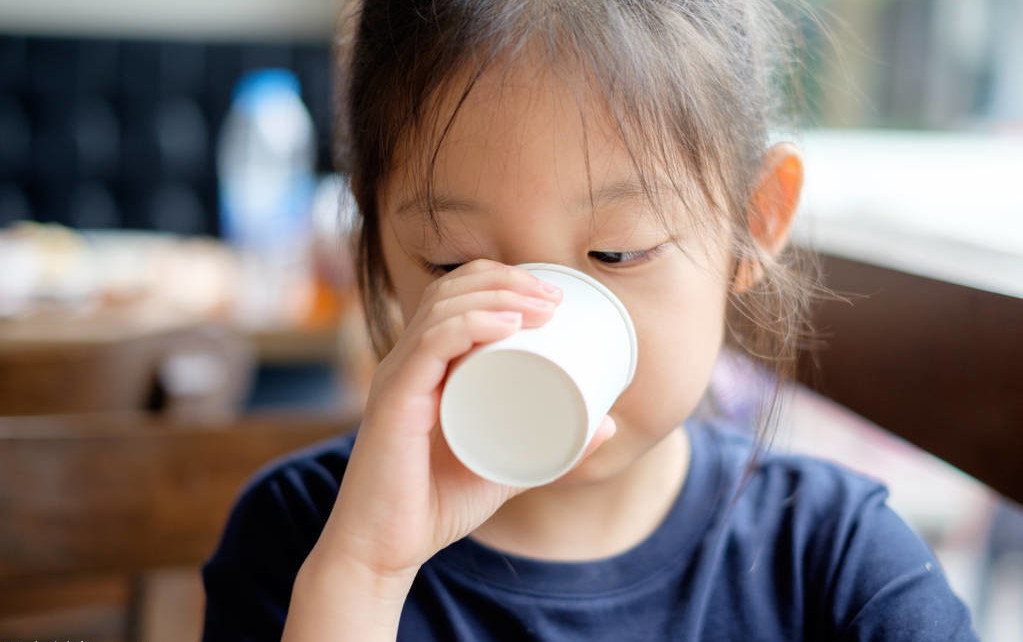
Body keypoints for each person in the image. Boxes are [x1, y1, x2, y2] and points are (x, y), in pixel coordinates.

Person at [202, 1, 979, 640]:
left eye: (615, 252)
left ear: (755, 221)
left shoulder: (837, 563)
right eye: (453, 265)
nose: (532, 330)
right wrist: (365, 573)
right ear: (374, 249)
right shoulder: (306, 541)